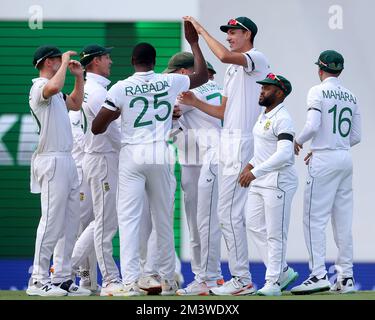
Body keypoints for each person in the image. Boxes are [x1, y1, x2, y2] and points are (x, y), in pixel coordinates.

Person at [91, 20, 208, 296]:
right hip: (160, 151)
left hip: (132, 153)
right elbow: (201, 76)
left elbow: (97, 127)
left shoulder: (120, 87)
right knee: (163, 219)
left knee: (130, 220)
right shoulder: (170, 81)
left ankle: (131, 281)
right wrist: (193, 43)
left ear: (133, 61)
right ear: (154, 62)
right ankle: (167, 280)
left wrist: (119, 112)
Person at [180, 16, 270, 295]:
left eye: (234, 32)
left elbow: (222, 55)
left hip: (241, 143)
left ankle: (242, 279)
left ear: (248, 34)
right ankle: (208, 276)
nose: (229, 36)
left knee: (230, 214)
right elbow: (223, 112)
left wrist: (200, 32)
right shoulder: (233, 72)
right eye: (227, 32)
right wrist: (195, 102)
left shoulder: (257, 58)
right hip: (226, 142)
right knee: (215, 212)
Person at [291, 50, 361, 295]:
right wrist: (333, 146)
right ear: (339, 70)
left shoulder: (317, 90)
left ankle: (318, 274)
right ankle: (346, 277)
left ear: (320, 69)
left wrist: (297, 142)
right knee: (343, 222)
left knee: (313, 219)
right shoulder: (351, 96)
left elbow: (312, 125)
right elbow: (356, 136)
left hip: (324, 159)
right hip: (344, 159)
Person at [26, 45, 90, 296]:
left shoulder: (57, 93)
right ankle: (38, 279)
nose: (59, 62)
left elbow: (74, 103)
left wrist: (78, 77)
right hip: (51, 160)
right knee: (51, 221)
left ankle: (62, 278)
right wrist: (64, 64)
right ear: (47, 62)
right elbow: (52, 87)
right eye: (55, 59)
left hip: (67, 159)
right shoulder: (38, 87)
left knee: (70, 222)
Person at [166, 54, 223, 295]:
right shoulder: (217, 89)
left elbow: (158, 114)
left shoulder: (189, 92)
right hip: (209, 160)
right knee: (207, 222)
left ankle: (206, 278)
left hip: (199, 164)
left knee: (201, 223)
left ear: (183, 73)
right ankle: (212, 276)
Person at [238, 74, 298, 296]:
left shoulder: (284, 118)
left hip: (279, 181)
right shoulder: (264, 115)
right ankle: (281, 270)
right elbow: (264, 150)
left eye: (267, 88)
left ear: (279, 93)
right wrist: (250, 165)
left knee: (276, 233)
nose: (262, 90)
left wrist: (254, 172)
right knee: (253, 224)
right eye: (262, 87)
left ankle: (273, 282)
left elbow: (284, 155)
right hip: (261, 179)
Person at [75, 44, 123, 296]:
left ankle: (86, 281)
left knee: (93, 221)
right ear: (95, 62)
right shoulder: (96, 92)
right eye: (107, 58)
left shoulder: (89, 89)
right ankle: (110, 279)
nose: (110, 62)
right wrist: (134, 149)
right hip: (103, 159)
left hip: (94, 159)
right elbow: (113, 133)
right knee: (104, 221)